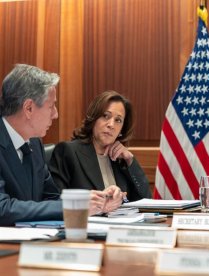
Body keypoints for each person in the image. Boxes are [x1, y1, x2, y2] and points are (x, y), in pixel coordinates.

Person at [0, 64, 120, 226]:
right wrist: (73, 206)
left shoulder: (34, 142)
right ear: (29, 108)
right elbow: (3, 209)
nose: (55, 114)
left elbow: (51, 197)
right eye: (51, 106)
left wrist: (93, 201)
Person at [48, 90, 151, 204]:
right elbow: (55, 202)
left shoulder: (120, 160)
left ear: (122, 129)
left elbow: (145, 200)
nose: (111, 125)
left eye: (118, 120)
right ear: (94, 118)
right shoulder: (68, 152)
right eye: (106, 116)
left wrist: (130, 161)